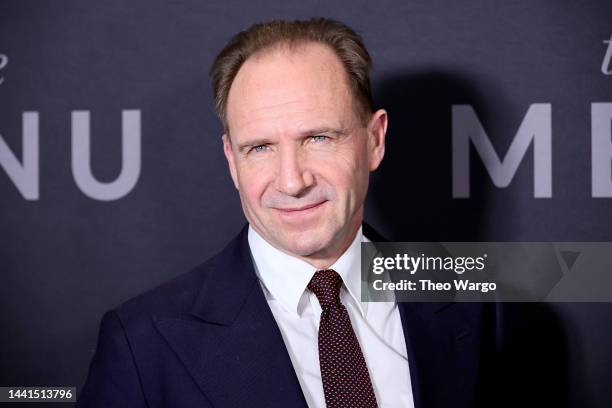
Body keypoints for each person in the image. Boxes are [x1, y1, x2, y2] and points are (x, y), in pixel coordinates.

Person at [77, 17, 514, 408]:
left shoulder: (472, 305)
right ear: (232, 159)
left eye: (319, 138)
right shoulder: (142, 342)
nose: (292, 181)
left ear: (375, 140)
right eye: (260, 147)